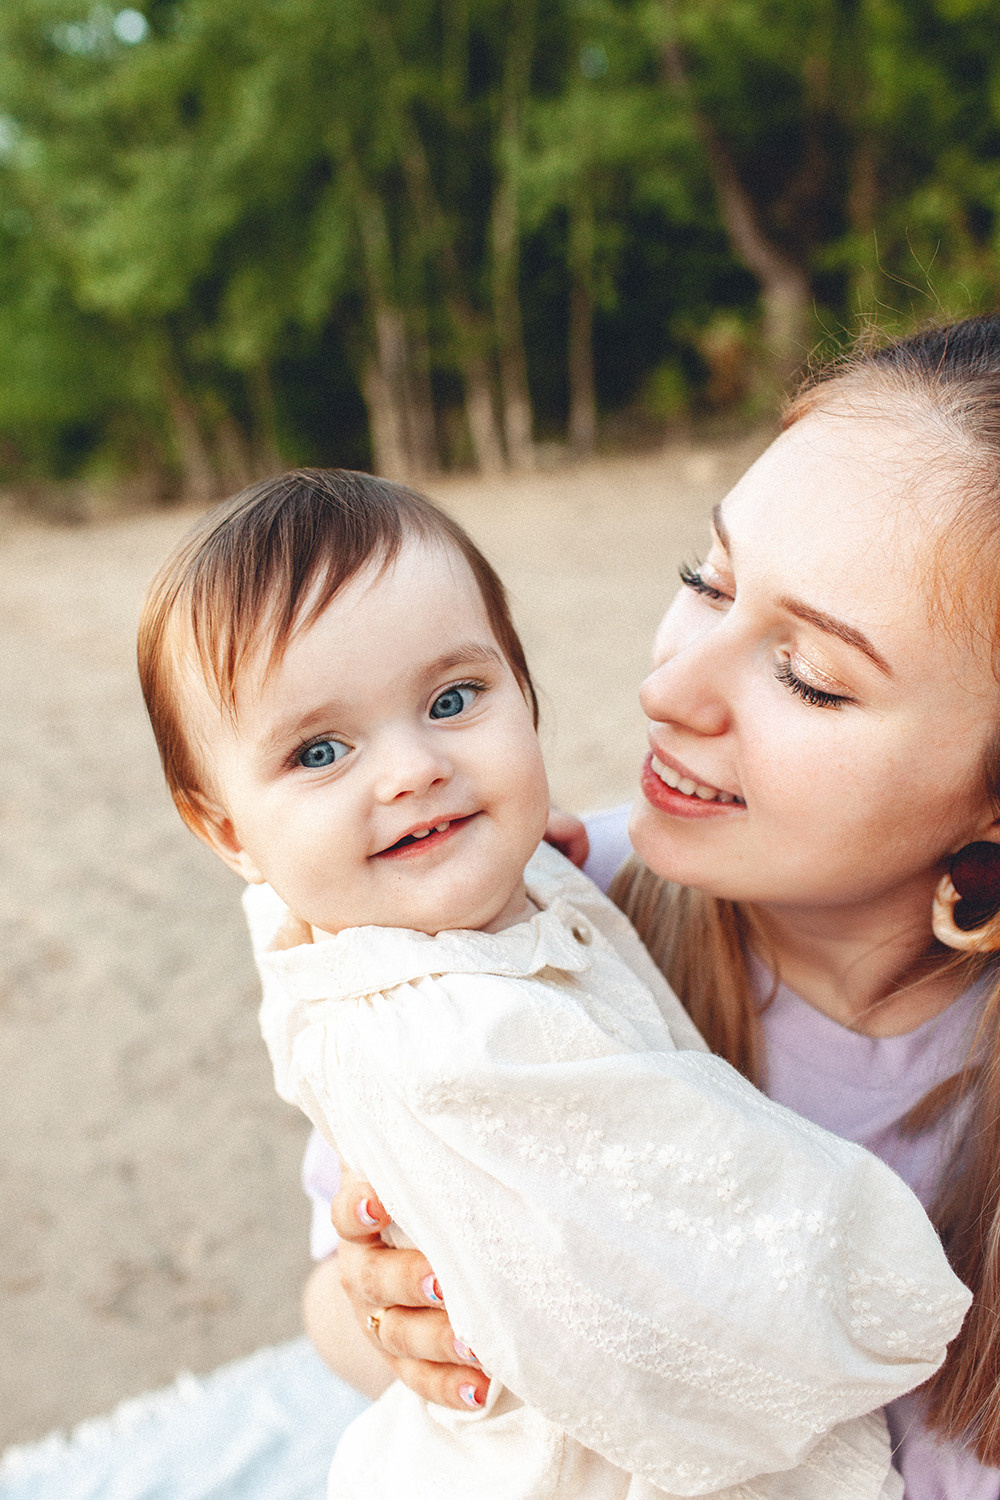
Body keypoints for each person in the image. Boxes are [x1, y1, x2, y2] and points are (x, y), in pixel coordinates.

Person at [137, 469, 969, 1500]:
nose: (410, 771)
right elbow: (354, 1289)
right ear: (225, 831)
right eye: (704, 584)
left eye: (453, 700)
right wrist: (386, 1315)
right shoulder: (448, 1007)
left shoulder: (521, 901)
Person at [309, 316, 1000, 1498]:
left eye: (809, 678)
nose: (666, 687)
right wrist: (398, 1323)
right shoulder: (528, 939)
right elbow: (334, 1301)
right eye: (707, 580)